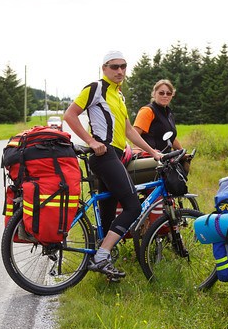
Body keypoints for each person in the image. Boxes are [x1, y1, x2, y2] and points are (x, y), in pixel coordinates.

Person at [63, 50, 162, 280]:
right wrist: (90, 141)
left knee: (108, 214)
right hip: (104, 154)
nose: (119, 71)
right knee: (133, 207)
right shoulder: (96, 88)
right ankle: (101, 255)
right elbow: (70, 115)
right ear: (104, 68)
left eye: (123, 66)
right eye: (114, 66)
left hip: (116, 156)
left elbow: (129, 131)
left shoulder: (119, 96)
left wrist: (153, 152)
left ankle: (103, 261)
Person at [133, 79, 182, 151]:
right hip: (150, 157)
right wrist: (142, 152)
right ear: (154, 94)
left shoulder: (168, 114)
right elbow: (135, 135)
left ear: (172, 95)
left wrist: (182, 151)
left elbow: (171, 138)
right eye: (161, 93)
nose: (165, 96)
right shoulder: (147, 111)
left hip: (165, 157)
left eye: (169, 93)